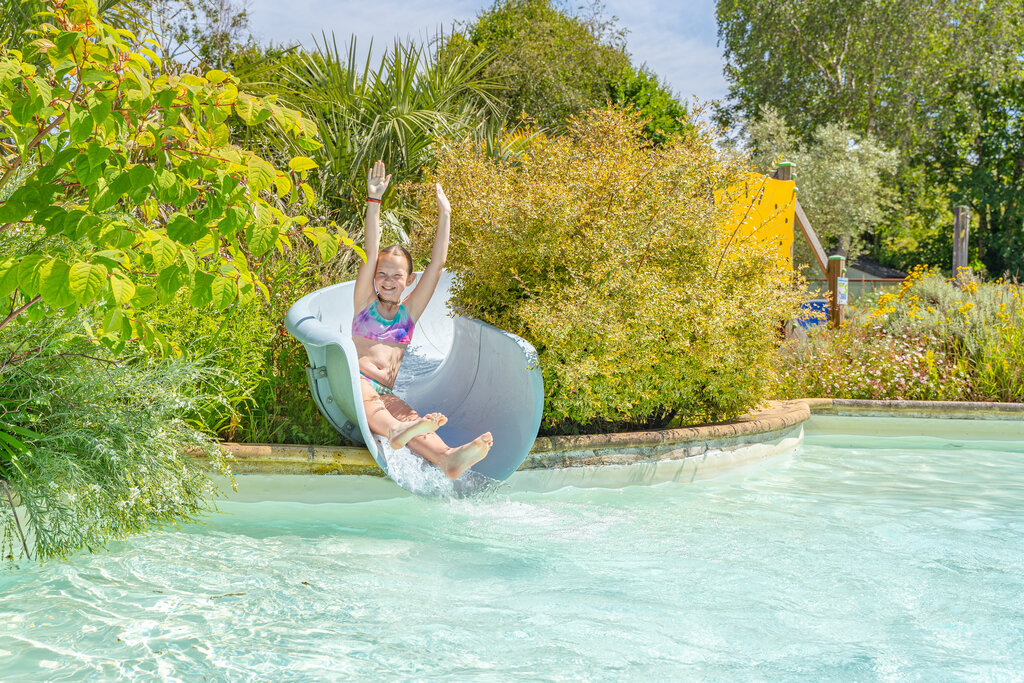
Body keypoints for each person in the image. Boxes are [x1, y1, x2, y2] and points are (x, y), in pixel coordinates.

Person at [351, 160, 493, 479]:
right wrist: (374, 201)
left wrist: (446, 214)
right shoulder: (364, 304)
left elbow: (437, 266)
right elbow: (370, 250)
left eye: (396, 276)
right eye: (381, 274)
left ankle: (449, 458)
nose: (387, 280)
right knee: (389, 413)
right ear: (373, 276)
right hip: (355, 381)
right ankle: (396, 432)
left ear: (409, 279)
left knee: (412, 418)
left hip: (384, 391)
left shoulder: (408, 313)